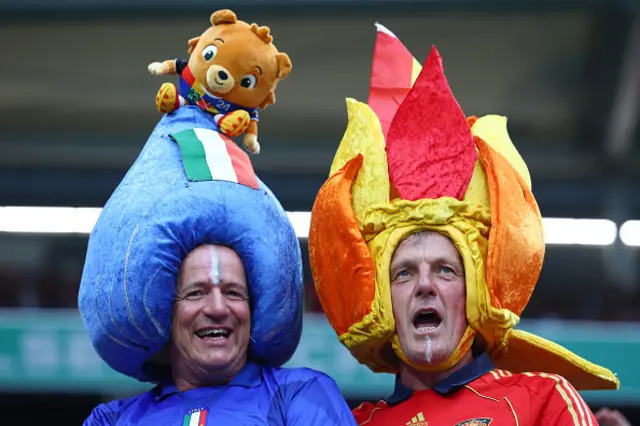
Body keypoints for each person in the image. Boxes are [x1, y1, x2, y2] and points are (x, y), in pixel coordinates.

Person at [307, 23, 620, 425]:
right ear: (382, 303)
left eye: (445, 270)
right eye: (403, 274)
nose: (424, 285)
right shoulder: (356, 422)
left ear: (474, 293)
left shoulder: (544, 401)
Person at [78, 45, 356, 424]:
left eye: (234, 292)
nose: (218, 308)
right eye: (196, 292)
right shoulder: (112, 420)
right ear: (165, 312)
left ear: (254, 309)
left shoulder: (299, 396)